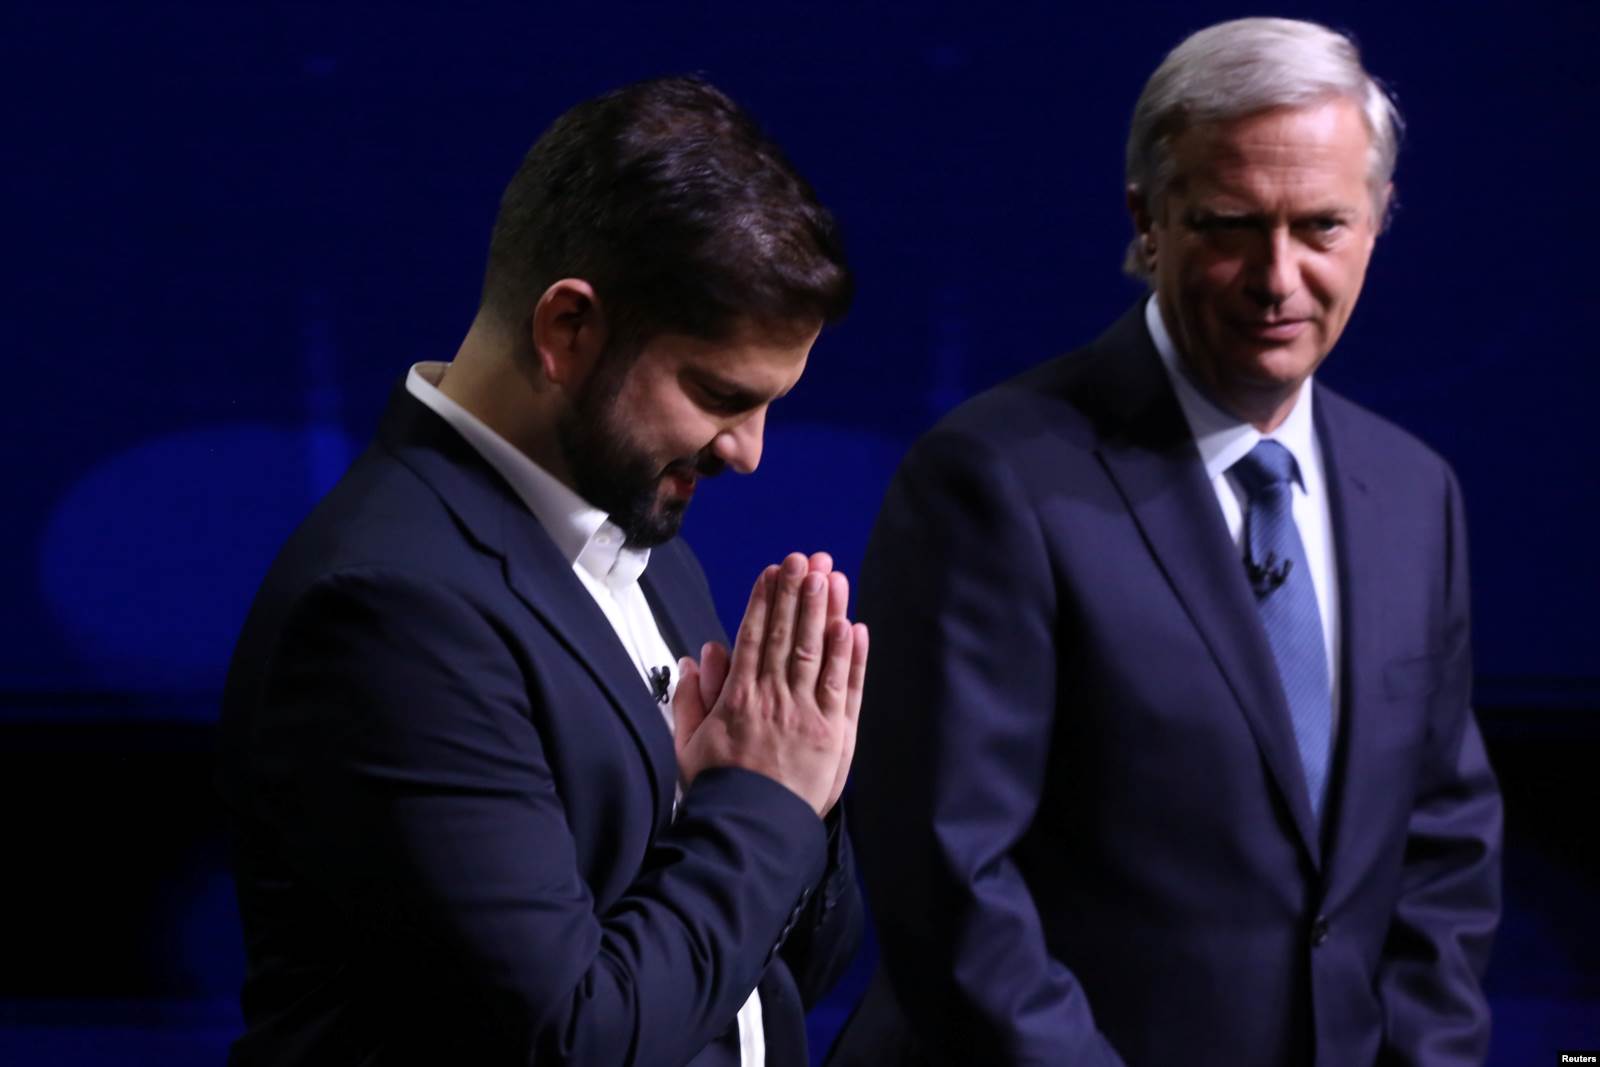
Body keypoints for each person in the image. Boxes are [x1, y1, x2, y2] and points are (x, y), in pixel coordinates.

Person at [829, 17, 1501, 1067]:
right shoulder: (992, 479)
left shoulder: (1415, 494)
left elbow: (1443, 846)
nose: (1278, 278)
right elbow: (949, 878)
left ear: (1377, 219)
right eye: (1232, 225)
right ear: (1148, 221)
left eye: (1321, 227)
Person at [218, 75, 869, 1067]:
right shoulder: (389, 609)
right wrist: (766, 799)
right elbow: (570, 1038)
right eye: (719, 395)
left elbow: (764, 979)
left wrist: (801, 778)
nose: (748, 452)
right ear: (568, 327)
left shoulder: (650, 550)